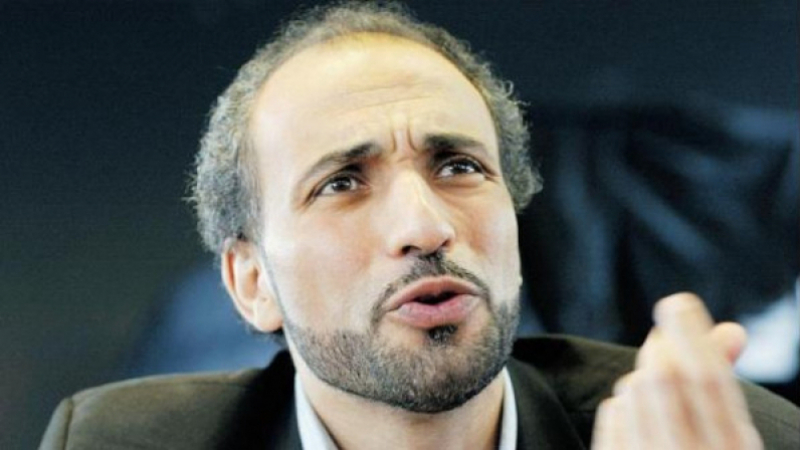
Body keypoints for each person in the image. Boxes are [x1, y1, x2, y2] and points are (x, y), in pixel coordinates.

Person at [39, 2, 799, 449]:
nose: (426, 225)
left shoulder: (733, 435)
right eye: (342, 183)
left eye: (460, 167)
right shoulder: (116, 441)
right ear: (252, 283)